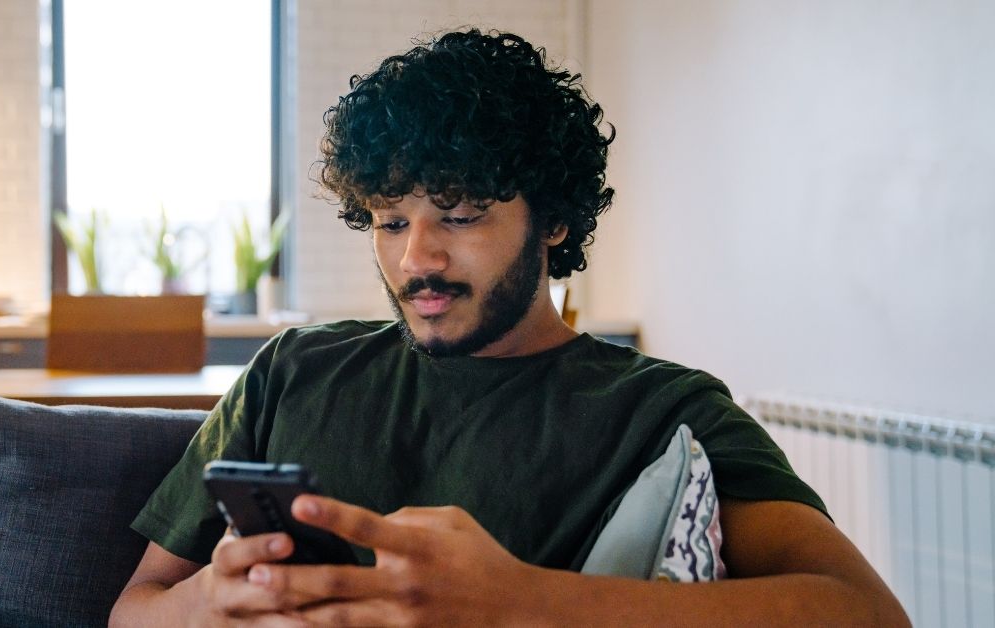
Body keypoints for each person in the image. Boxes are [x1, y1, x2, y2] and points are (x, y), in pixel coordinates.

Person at [110, 29, 908, 626]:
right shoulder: (294, 370)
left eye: (459, 215)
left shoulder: (662, 411)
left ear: (553, 219)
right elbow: (133, 608)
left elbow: (863, 613)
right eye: (390, 222)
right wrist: (205, 605)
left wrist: (523, 601)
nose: (416, 257)